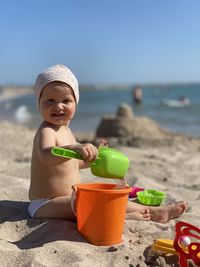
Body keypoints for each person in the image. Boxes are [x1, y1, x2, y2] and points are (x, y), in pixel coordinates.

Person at [28, 64, 187, 223]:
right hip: (45, 203)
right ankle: (121, 217)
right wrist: (75, 147)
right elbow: (46, 156)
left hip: (69, 199)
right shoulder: (46, 131)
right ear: (38, 103)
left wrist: (92, 158)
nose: (58, 106)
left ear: (75, 104)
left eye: (66, 100)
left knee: (106, 196)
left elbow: (71, 163)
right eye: (50, 101)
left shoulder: (66, 131)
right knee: (86, 203)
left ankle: (154, 212)